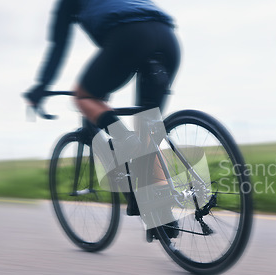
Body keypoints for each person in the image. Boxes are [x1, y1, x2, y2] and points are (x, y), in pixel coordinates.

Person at [25, 0, 180, 239]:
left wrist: (40, 88)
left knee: (83, 96)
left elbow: (58, 47)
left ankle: (123, 140)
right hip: (167, 38)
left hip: (129, 36)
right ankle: (162, 214)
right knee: (147, 130)